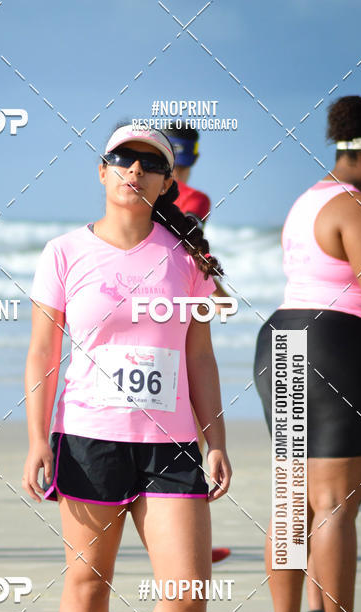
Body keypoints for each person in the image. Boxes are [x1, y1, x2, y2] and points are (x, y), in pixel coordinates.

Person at [23, 124, 234, 612]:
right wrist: (36, 439)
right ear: (102, 169)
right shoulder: (63, 252)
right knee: (89, 582)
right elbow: (42, 353)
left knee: (189, 584)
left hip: (168, 446)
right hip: (88, 439)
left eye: (150, 163)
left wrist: (215, 439)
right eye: (122, 159)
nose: (134, 171)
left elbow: (199, 354)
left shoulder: (186, 258)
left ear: (168, 181)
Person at [254, 95, 361, 612]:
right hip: (337, 344)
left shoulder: (309, 199)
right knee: (334, 503)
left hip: (283, 337)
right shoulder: (356, 207)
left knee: (292, 501)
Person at [165, 122, 231, 566]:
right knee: (187, 413)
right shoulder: (197, 200)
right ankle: (191, 533)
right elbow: (193, 250)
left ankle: (187, 532)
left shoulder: (144, 192)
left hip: (149, 304)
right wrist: (219, 292)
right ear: (196, 157)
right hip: (181, 299)